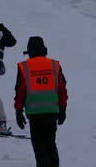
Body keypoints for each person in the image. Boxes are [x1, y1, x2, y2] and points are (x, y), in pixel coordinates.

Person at [14, 36, 68, 167]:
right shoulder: (54, 65)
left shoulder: (24, 67)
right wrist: (63, 109)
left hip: (35, 114)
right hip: (51, 112)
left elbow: (20, 91)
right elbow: (62, 88)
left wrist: (19, 111)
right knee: (50, 145)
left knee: (39, 148)